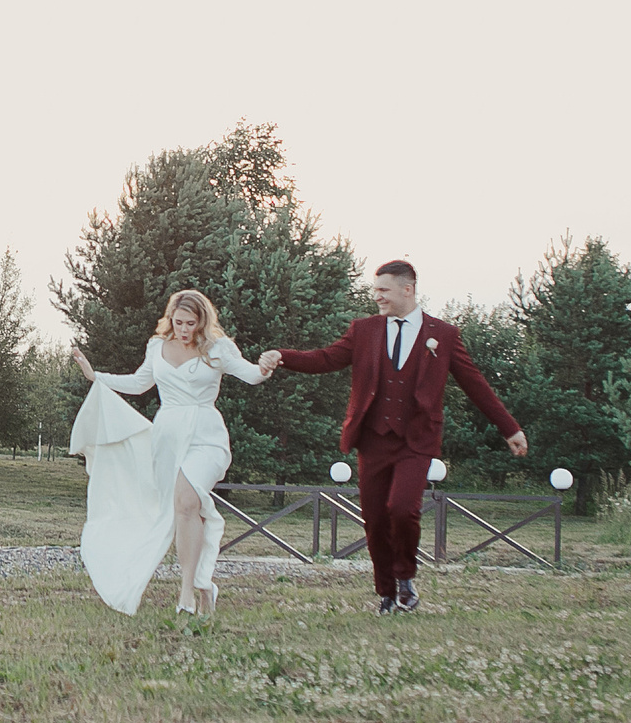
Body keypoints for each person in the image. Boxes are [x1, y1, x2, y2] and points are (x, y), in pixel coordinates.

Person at [258, 259, 526, 614]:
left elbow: (475, 384)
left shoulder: (442, 335)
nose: (377, 297)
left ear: (407, 289)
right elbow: (325, 358)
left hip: (416, 440)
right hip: (373, 439)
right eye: (376, 290)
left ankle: (405, 579)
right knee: (375, 518)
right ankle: (386, 593)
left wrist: (510, 428)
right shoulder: (364, 330)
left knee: (402, 509)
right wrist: (283, 357)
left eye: (383, 290)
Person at [67, 289, 272, 616]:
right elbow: (139, 382)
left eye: (191, 323)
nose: (184, 329)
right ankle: (205, 584)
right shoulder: (157, 347)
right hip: (167, 436)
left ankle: (186, 594)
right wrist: (96, 377)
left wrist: (264, 367)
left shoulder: (218, 349)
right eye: (179, 322)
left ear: (202, 321)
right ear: (170, 319)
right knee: (182, 509)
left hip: (206, 436)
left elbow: (250, 375)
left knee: (188, 499)